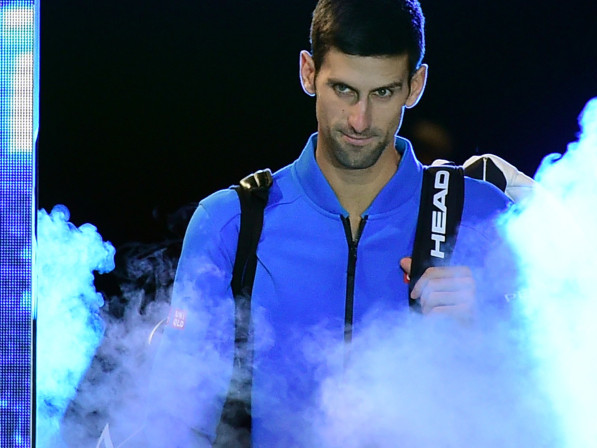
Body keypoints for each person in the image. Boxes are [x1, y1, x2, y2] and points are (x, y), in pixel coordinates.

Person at [145, 0, 514, 446]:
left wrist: (485, 335)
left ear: (415, 85)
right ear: (308, 73)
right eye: (343, 89)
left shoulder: (482, 216)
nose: (360, 120)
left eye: (382, 93)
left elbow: (551, 408)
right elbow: (178, 424)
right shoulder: (231, 223)